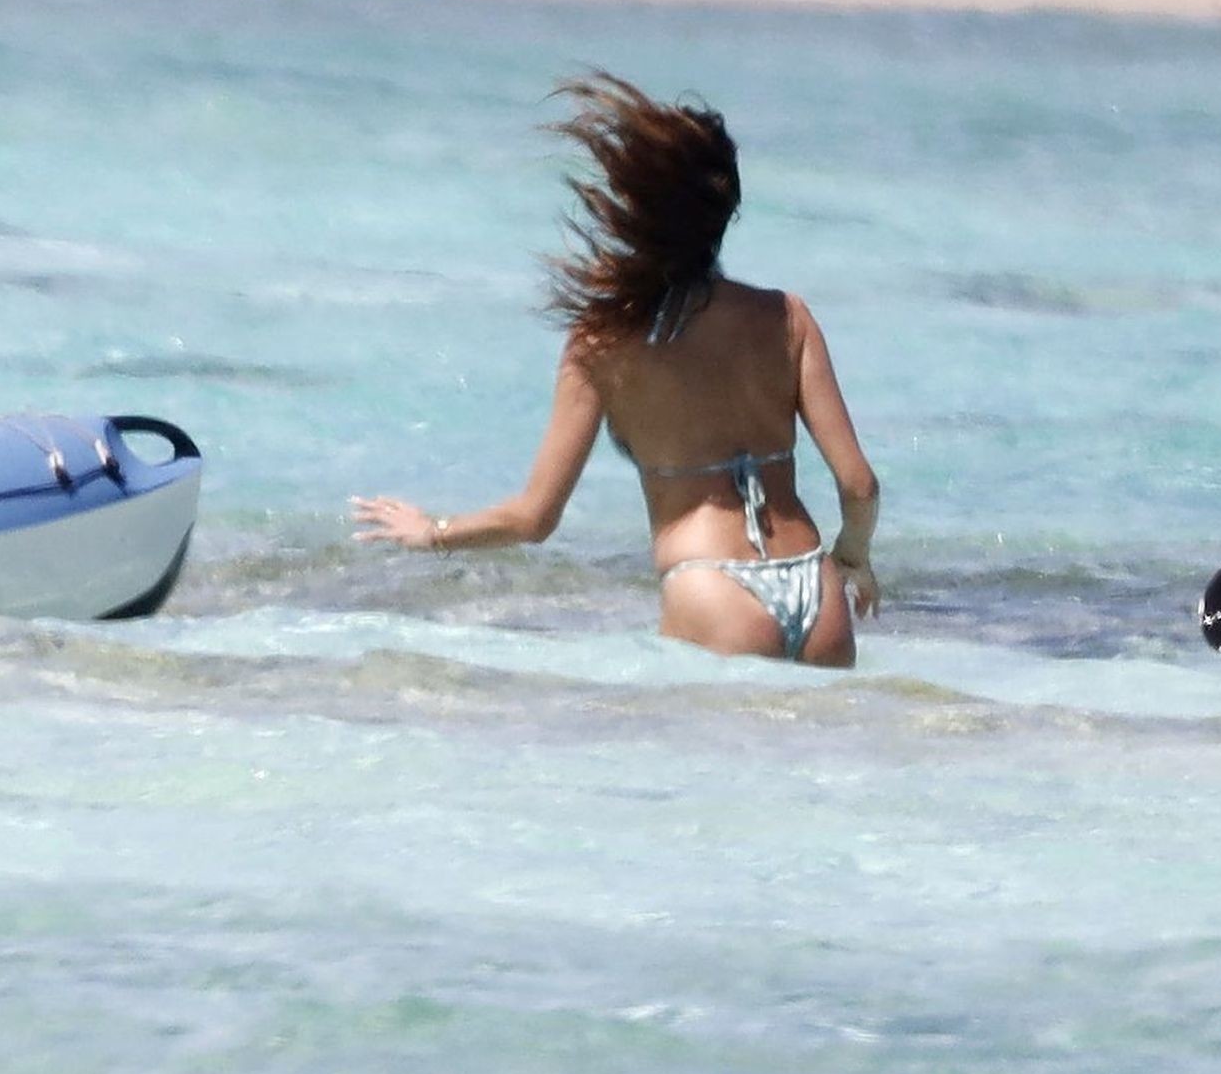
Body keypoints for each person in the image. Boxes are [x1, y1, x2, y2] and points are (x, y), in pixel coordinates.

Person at [351, 74, 881, 667]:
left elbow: (534, 518)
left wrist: (434, 531)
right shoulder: (788, 317)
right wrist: (852, 558)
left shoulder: (601, 343)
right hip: (816, 588)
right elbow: (859, 485)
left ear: (635, 213)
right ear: (727, 208)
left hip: (712, 588)